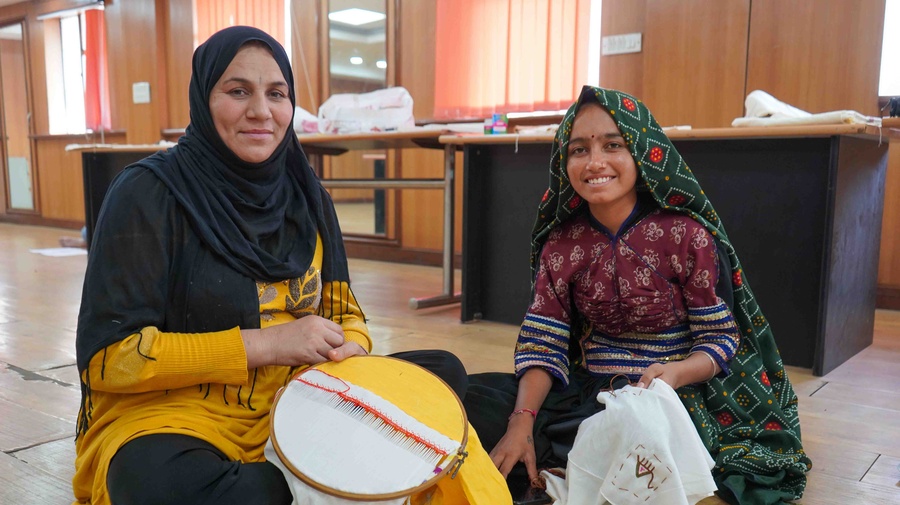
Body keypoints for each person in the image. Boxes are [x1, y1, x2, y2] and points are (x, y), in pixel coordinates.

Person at [73, 26, 509, 505]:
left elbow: (347, 315)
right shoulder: (148, 194)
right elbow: (109, 360)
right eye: (238, 91)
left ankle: (306, 481)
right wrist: (267, 344)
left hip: (303, 398)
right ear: (203, 98)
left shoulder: (306, 195)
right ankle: (341, 480)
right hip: (180, 415)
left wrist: (352, 349)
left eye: (276, 94)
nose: (261, 111)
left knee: (444, 372)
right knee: (153, 482)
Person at [464, 86, 811, 505]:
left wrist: (676, 372)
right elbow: (544, 341)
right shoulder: (561, 244)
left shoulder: (686, 235)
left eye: (614, 145)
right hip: (589, 391)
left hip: (675, 393)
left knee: (642, 432)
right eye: (578, 150)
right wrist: (521, 422)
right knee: (463, 403)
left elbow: (718, 339)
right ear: (564, 160)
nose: (595, 163)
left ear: (643, 153)